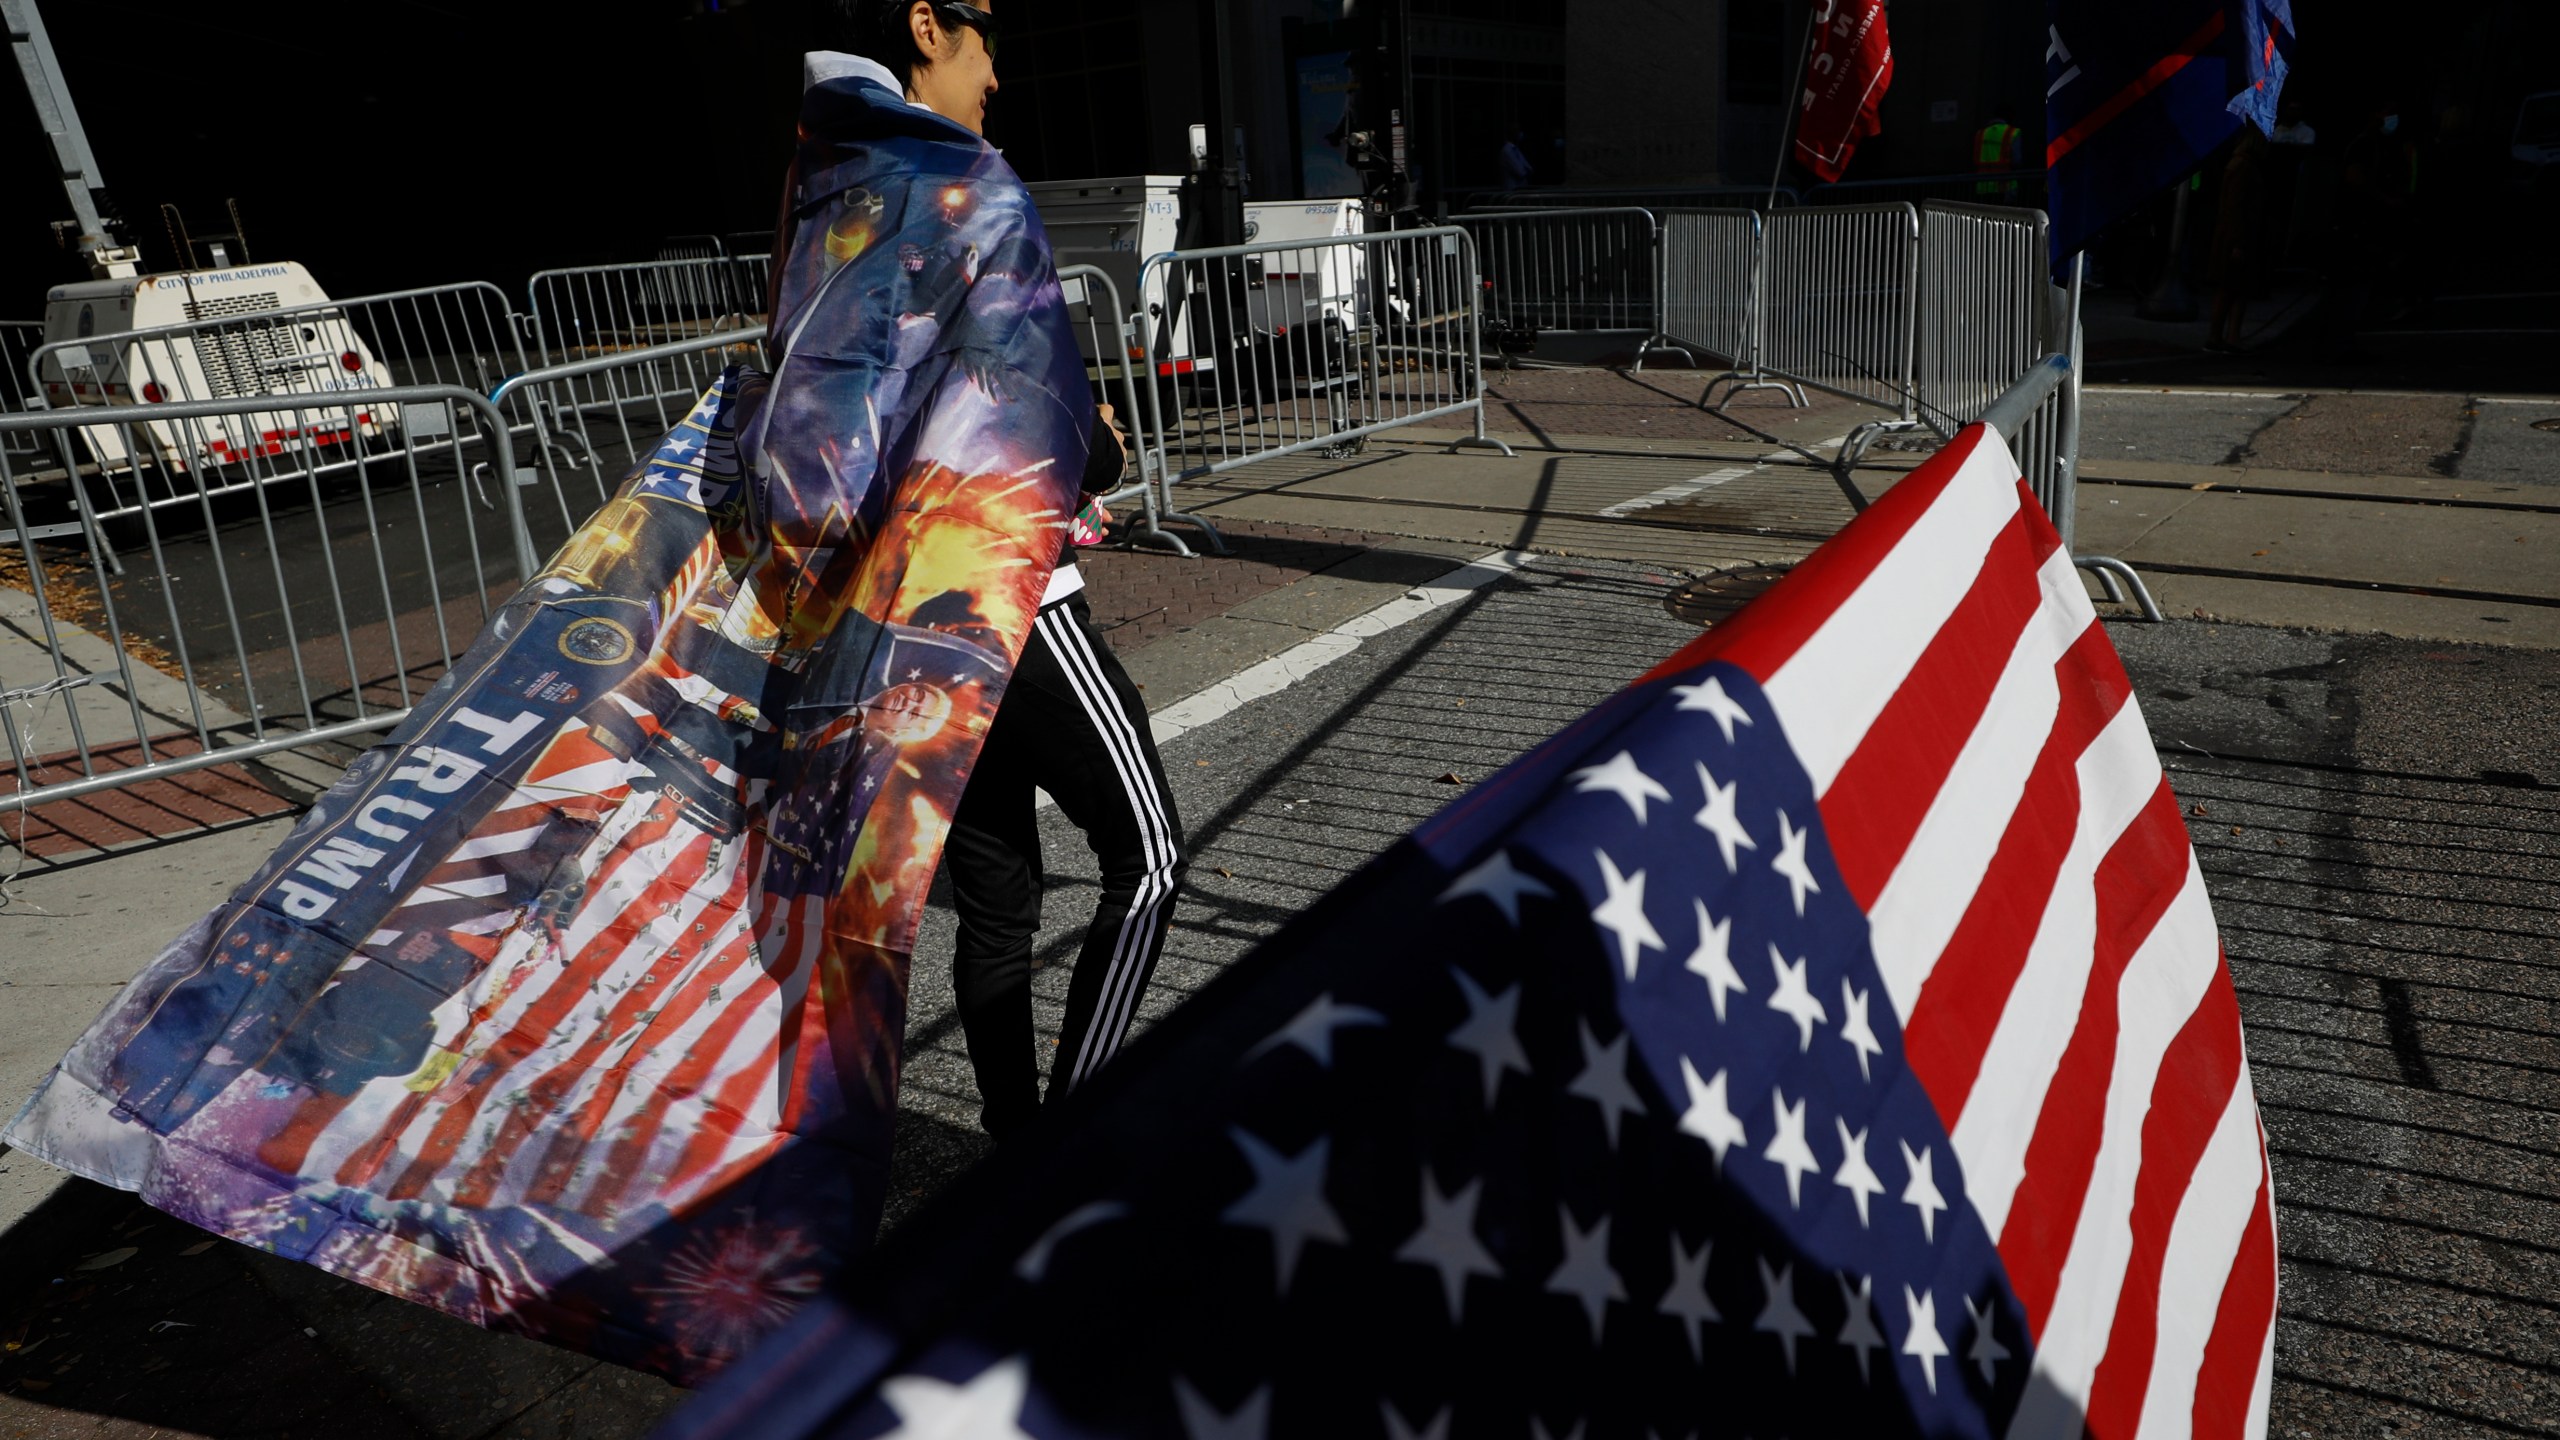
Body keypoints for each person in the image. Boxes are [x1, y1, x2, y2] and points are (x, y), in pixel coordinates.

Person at [828, 0, 1189, 1138]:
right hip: (1016, 593)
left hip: (918, 612)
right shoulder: (968, 186)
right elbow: (1028, 409)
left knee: (998, 898)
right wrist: (1099, 442)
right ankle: (1066, 1142)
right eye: (987, 40)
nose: (996, 76)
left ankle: (1014, 1138)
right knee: (1152, 858)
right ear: (927, 26)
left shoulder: (839, 189)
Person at [1498, 127, 1535, 191]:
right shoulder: (1507, 150)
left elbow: (1530, 168)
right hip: (1512, 189)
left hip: (1521, 189)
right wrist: (1526, 171)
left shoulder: (1516, 149)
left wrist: (1527, 171)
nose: (1520, 134)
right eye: (1518, 132)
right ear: (1512, 134)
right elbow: (1520, 172)